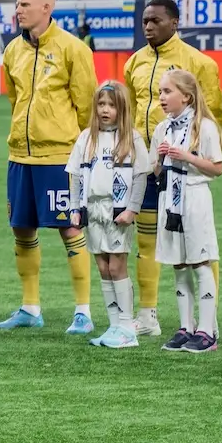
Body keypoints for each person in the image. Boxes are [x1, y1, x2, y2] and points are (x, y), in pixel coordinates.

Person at [0, 0, 98, 335]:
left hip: (60, 157)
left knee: (69, 228)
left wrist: (85, 153)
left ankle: (83, 311)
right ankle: (29, 307)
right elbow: (14, 99)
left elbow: (87, 106)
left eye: (25, 4)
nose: (19, 9)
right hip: (19, 156)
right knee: (21, 228)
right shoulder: (12, 50)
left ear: (47, 7)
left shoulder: (72, 48)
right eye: (17, 3)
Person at [123, 0, 222, 338]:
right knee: (151, 242)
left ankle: (208, 321)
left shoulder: (198, 63)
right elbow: (132, 112)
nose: (148, 26)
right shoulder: (134, 62)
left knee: (198, 248)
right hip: (153, 165)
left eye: (155, 20)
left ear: (174, 22)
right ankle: (149, 314)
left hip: (189, 174)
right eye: (144, 21)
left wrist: (197, 152)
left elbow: (215, 115)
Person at [68, 82, 153, 349]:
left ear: (122, 109)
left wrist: (132, 209)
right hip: (93, 210)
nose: (105, 110)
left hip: (118, 212)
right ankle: (114, 324)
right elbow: (75, 175)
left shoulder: (131, 138)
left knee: (117, 266)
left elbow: (140, 176)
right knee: (103, 267)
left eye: (111, 105)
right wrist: (73, 208)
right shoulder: (87, 137)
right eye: (101, 104)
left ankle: (127, 326)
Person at [154, 70, 222, 353]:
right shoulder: (164, 127)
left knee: (200, 262)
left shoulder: (204, 127)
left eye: (167, 92)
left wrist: (185, 156)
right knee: (178, 263)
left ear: (186, 96)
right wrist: (160, 159)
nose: (161, 98)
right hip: (169, 199)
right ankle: (186, 326)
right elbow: (157, 169)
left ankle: (207, 330)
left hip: (194, 198)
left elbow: (217, 168)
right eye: (159, 92)